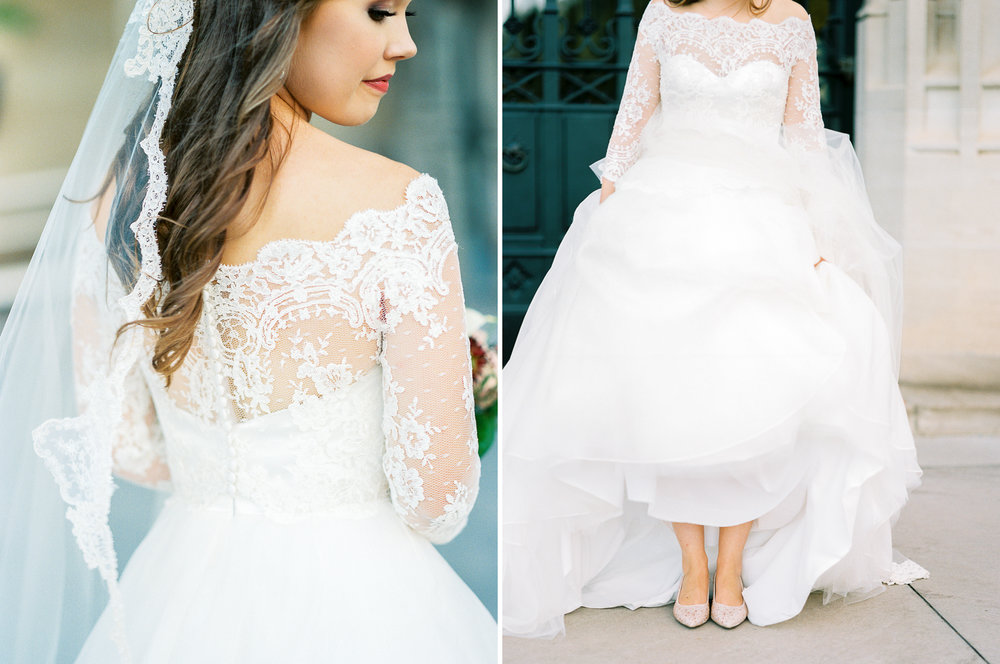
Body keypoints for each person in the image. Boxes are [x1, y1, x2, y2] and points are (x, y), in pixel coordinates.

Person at [0, 0, 496, 661]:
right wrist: (467, 394)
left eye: (410, 15)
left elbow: (132, 451)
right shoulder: (398, 204)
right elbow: (436, 501)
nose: (405, 44)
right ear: (275, 16)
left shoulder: (121, 195)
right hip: (358, 601)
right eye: (379, 11)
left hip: (178, 592)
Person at [502, 0, 925, 638]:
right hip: (664, 219)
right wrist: (610, 204)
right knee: (670, 397)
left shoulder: (789, 18)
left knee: (752, 394)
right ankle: (691, 564)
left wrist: (820, 227)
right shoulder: (662, 13)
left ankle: (729, 567)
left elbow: (805, 133)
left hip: (761, 224)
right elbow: (633, 115)